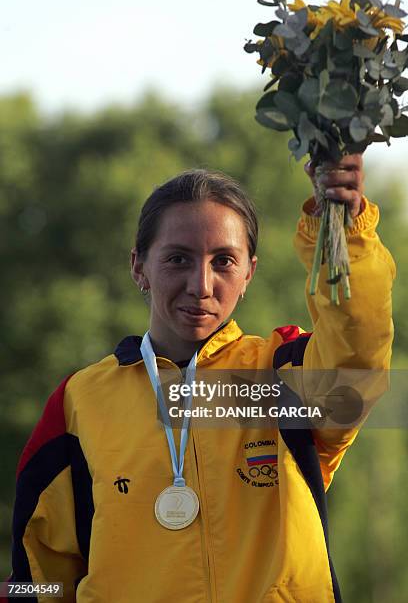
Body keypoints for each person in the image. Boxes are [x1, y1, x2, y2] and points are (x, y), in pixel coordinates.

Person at [3, 155, 395, 603]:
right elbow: (37, 576)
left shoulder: (285, 373)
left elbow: (358, 348)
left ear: (249, 272)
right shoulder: (79, 401)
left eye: (224, 260)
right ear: (139, 267)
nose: (201, 284)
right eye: (177, 259)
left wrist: (341, 224)